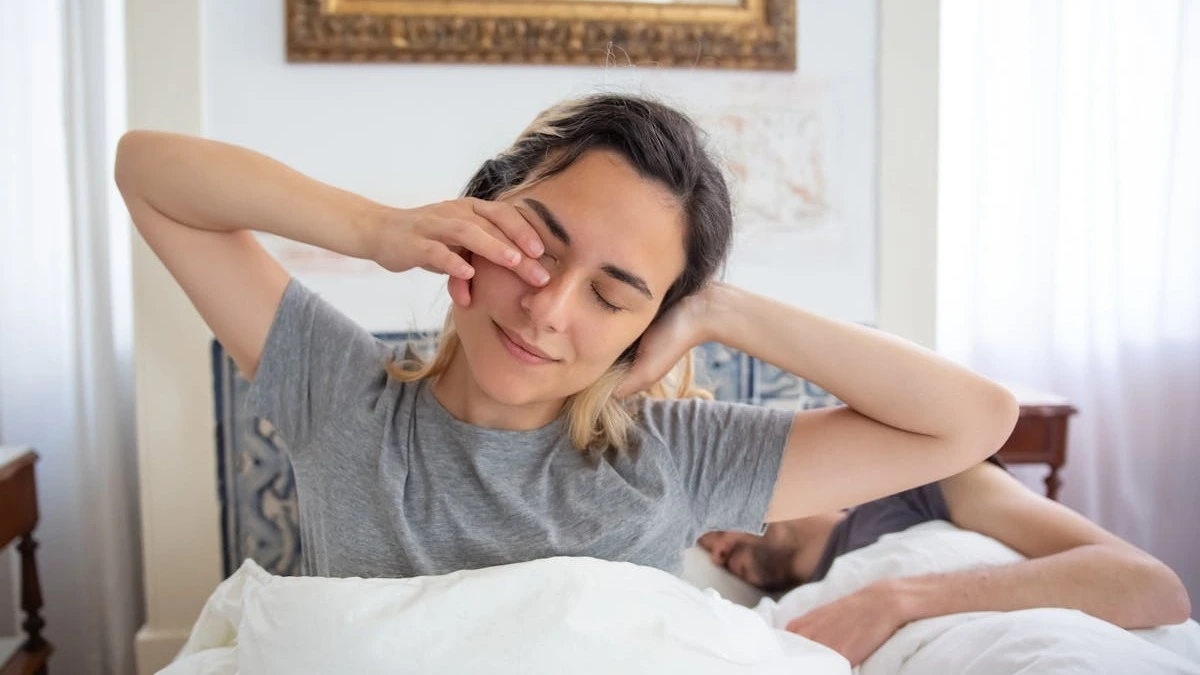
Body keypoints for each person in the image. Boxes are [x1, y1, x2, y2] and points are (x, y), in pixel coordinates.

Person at [114, 93, 1018, 581]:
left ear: (650, 322)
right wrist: (374, 228)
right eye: (538, 247)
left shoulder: (675, 457)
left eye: (615, 293)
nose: (548, 309)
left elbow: (972, 421)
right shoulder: (341, 397)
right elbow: (146, 168)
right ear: (478, 210)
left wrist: (721, 310)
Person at [699, 458, 1192, 666]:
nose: (718, 553)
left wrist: (896, 599)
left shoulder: (922, 489)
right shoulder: (773, 619)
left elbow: (1154, 589)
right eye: (708, 553)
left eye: (715, 528)